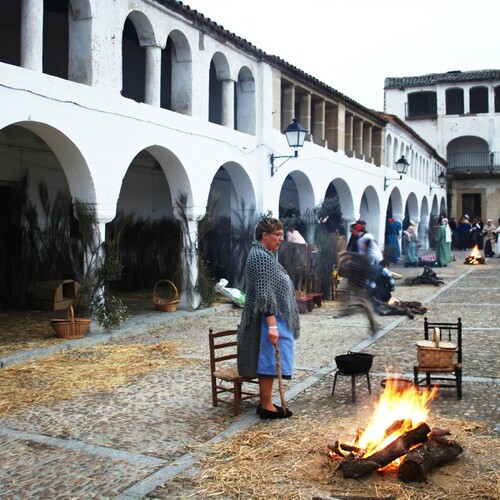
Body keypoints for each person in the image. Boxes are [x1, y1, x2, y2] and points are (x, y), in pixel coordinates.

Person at [237, 217, 300, 420]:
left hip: (273, 317)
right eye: (278, 235)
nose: (281, 239)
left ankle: (266, 402)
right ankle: (266, 406)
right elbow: (264, 295)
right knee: (269, 362)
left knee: (271, 361)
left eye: (282, 234)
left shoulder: (266, 254)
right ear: (265, 235)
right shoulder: (260, 257)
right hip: (267, 319)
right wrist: (272, 325)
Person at [337, 250, 380, 333]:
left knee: (365, 305)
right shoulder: (356, 258)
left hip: (359, 285)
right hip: (355, 283)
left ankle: (373, 325)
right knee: (342, 290)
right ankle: (345, 309)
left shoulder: (358, 263)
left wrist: (343, 263)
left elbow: (344, 273)